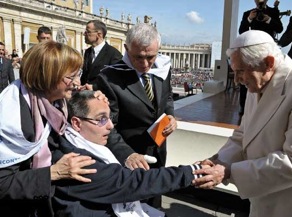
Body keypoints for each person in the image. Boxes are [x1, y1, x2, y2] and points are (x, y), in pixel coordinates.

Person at [193, 30, 292, 217]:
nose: (236, 80)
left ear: (268, 63)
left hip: (289, 202)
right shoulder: (258, 80)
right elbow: (244, 134)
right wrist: (219, 160)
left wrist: (229, 171)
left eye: (240, 71)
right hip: (261, 196)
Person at [52, 90, 202, 217]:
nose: (110, 126)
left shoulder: (73, 142)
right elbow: (131, 183)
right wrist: (193, 172)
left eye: (109, 117)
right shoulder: (76, 160)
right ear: (77, 123)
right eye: (101, 119)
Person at [0, 41, 98, 217]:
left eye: (79, 73)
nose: (77, 82)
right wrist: (53, 173)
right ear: (48, 77)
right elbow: (3, 183)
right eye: (71, 76)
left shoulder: (55, 101)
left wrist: (94, 100)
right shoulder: (13, 116)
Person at [92, 23, 177, 208]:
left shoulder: (163, 67)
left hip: (158, 149)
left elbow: (168, 97)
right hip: (129, 156)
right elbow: (107, 126)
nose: (146, 64)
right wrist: (127, 154)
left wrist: (171, 116)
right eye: (138, 57)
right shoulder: (108, 78)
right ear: (126, 48)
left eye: (151, 57)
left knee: (154, 201)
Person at [238, 0, 283, 116]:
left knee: (270, 78)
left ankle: (268, 108)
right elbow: (241, 31)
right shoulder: (248, 13)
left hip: (269, 50)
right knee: (246, 77)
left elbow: (279, 29)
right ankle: (243, 108)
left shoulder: (273, 12)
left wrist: (268, 19)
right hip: (252, 50)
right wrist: (249, 19)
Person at [80, 20, 122, 85]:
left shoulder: (114, 54)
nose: (84, 34)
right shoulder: (87, 52)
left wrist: (94, 87)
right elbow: (85, 76)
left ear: (99, 35)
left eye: (88, 32)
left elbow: (116, 81)